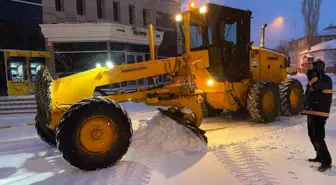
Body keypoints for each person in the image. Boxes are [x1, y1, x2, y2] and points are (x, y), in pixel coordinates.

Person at [303, 59, 333, 172]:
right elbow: (310, 93)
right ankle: (319, 156)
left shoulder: (326, 79)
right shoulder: (315, 79)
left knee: (318, 137)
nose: (313, 69)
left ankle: (326, 161)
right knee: (311, 135)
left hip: (320, 113)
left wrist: (312, 77)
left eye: (315, 67)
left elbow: (316, 86)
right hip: (311, 112)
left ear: (320, 67)